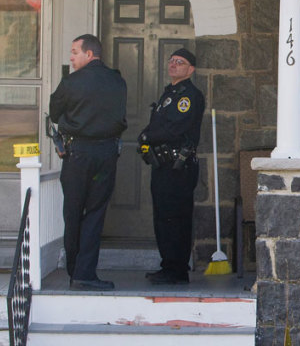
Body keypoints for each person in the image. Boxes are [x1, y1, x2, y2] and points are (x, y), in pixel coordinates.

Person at [49, 34, 127, 291]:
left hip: (77, 154)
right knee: (95, 214)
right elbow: (120, 118)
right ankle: (85, 273)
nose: (71, 57)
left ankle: (75, 271)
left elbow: (55, 111)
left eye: (74, 52)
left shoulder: (71, 82)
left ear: (90, 54)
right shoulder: (117, 81)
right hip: (105, 154)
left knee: (73, 212)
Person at [138, 48, 205, 285]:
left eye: (180, 62)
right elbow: (156, 124)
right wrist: (145, 137)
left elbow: (173, 129)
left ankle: (177, 270)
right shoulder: (169, 93)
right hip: (162, 165)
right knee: (162, 217)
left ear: (191, 69)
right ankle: (168, 265)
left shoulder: (189, 96)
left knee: (175, 217)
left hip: (178, 167)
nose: (173, 65)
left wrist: (148, 137)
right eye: (171, 61)